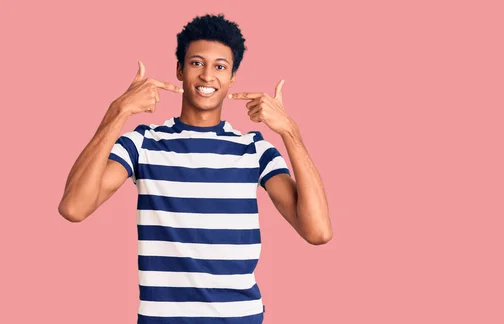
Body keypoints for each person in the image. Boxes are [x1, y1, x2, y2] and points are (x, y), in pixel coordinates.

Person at [58, 14, 332, 324]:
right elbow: (73, 207)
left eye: (220, 67)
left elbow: (318, 231)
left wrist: (289, 132)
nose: (207, 76)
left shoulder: (254, 150)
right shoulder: (143, 143)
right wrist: (117, 111)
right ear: (179, 69)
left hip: (239, 318)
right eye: (196, 63)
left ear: (232, 77)